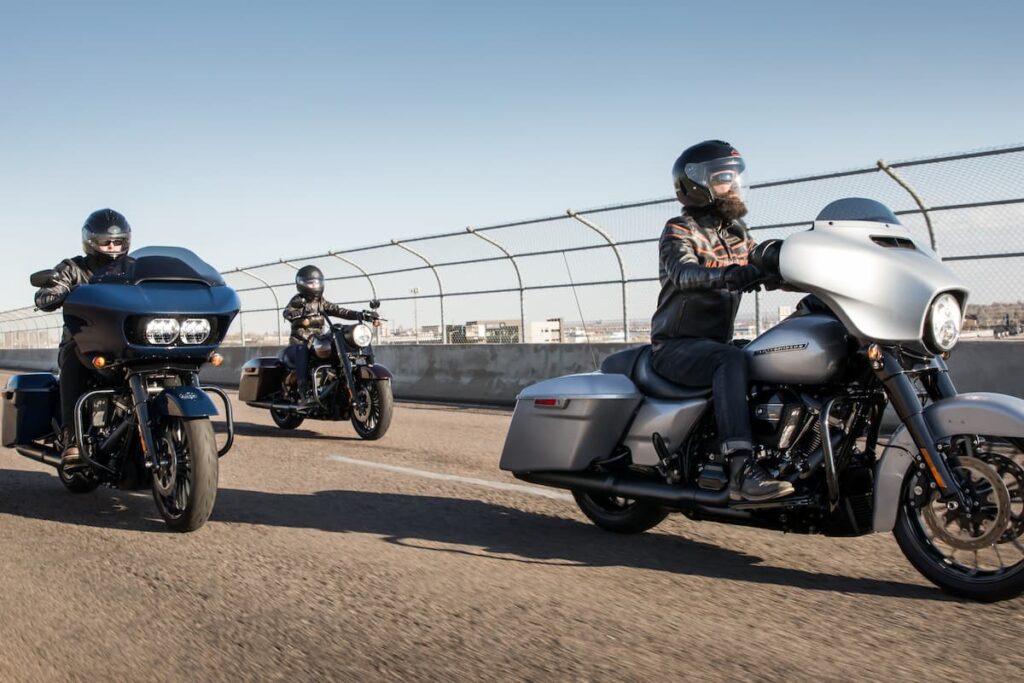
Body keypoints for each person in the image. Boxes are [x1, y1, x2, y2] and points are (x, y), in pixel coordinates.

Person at [650, 140, 793, 501]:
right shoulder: (678, 229)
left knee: (774, 354)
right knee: (730, 358)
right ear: (696, 184)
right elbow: (685, 274)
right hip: (675, 347)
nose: (732, 186)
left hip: (715, 344)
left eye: (733, 178)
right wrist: (732, 274)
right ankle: (741, 470)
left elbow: (764, 265)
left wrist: (801, 270)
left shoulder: (737, 233)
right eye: (722, 179)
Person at [35, 208, 132, 468]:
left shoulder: (135, 269)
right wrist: (58, 291)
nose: (112, 247)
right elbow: (47, 294)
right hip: (85, 342)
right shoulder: (74, 268)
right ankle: (72, 436)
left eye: (118, 241)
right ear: (91, 242)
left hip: (127, 344)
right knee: (73, 358)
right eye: (106, 241)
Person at [283, 265, 378, 402]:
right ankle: (303, 391)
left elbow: (339, 311)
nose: (314, 285)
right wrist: (296, 313)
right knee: (302, 350)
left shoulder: (321, 302)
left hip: (317, 340)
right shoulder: (298, 300)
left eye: (316, 282)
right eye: (311, 282)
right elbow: (287, 312)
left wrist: (361, 315)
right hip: (301, 341)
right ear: (302, 284)